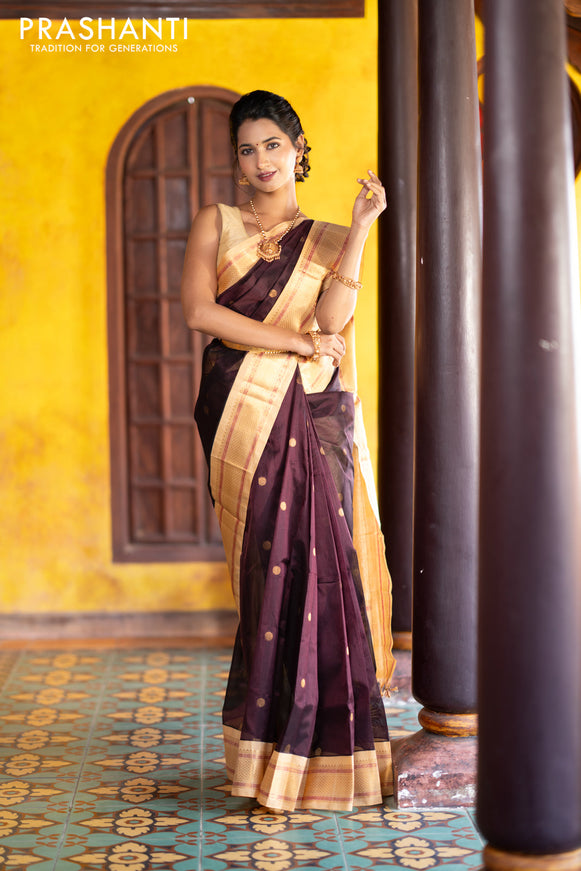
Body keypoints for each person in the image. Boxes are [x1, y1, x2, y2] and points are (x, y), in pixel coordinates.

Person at [181, 90, 395, 812]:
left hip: (305, 413)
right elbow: (200, 312)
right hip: (239, 408)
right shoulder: (219, 222)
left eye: (273, 144)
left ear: (298, 148)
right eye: (247, 149)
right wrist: (298, 342)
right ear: (237, 164)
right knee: (265, 578)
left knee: (318, 570)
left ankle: (325, 761)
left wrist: (362, 227)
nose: (261, 160)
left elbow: (336, 318)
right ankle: (265, 760)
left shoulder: (330, 236)